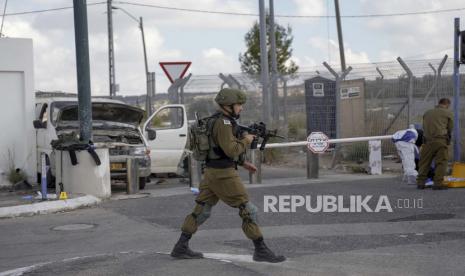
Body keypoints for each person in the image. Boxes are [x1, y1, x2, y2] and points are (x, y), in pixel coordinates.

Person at [170, 88, 286, 263]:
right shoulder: (224, 124)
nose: (241, 108)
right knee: (248, 210)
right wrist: (247, 140)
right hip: (223, 174)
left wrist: (242, 163)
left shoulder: (215, 121)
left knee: (202, 209)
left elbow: (217, 150)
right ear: (228, 105)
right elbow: (231, 149)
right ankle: (261, 250)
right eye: (239, 105)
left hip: (211, 173)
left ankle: (181, 246)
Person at [417, 98, 454, 190]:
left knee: (424, 162)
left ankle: (420, 183)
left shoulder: (427, 112)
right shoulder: (448, 113)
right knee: (441, 162)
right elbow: (450, 128)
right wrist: (448, 140)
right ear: (447, 104)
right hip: (440, 140)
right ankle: (437, 183)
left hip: (427, 141)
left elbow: (424, 127)